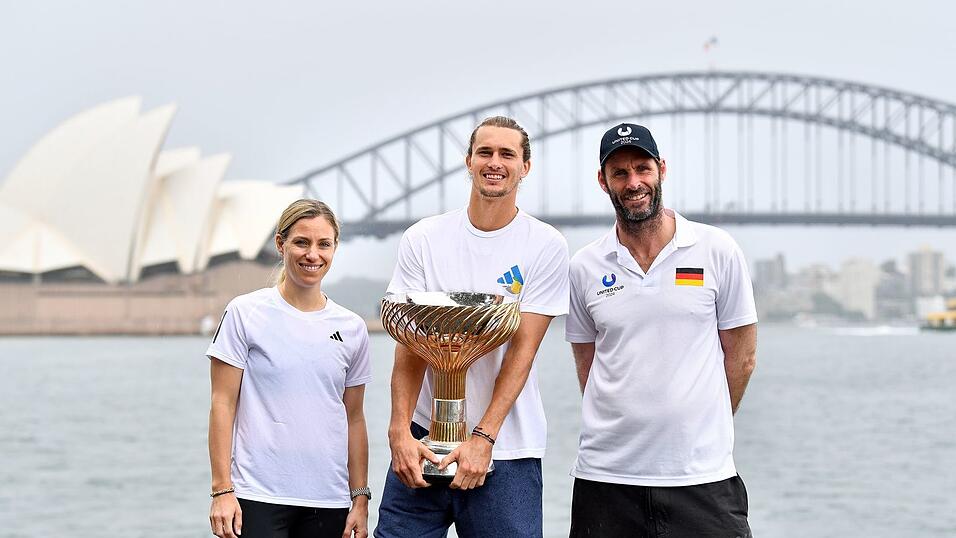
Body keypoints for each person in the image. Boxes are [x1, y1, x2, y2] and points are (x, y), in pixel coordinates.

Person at [375, 116, 570, 538]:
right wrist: (398, 429)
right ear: (468, 161)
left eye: (507, 154)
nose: (494, 162)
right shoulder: (424, 238)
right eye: (485, 152)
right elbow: (410, 345)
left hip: (506, 448)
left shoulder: (546, 245)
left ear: (525, 167)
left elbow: (523, 351)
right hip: (423, 437)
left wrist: (484, 437)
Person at [565, 123, 758, 537]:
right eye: (620, 172)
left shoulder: (717, 249)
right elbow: (588, 364)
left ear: (661, 170)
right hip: (607, 478)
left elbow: (742, 358)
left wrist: (699, 422)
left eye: (642, 168)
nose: (633, 182)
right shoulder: (585, 266)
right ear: (603, 181)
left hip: (702, 476)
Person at [207, 199, 372, 538]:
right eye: (301, 242)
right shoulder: (245, 312)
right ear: (281, 244)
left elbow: (354, 417)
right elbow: (222, 403)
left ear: (335, 248)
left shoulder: (353, 327)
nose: (313, 254)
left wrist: (360, 499)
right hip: (256, 496)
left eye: (323, 244)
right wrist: (222, 490)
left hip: (329, 499)